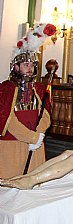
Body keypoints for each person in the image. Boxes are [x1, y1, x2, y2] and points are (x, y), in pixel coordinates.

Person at [0, 23, 56, 179]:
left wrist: (38, 135)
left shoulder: (39, 88)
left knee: (33, 186)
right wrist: (30, 137)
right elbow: (7, 119)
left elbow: (45, 114)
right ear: (15, 66)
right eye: (25, 64)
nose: (30, 68)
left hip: (36, 147)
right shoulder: (4, 89)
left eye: (32, 64)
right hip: (12, 147)